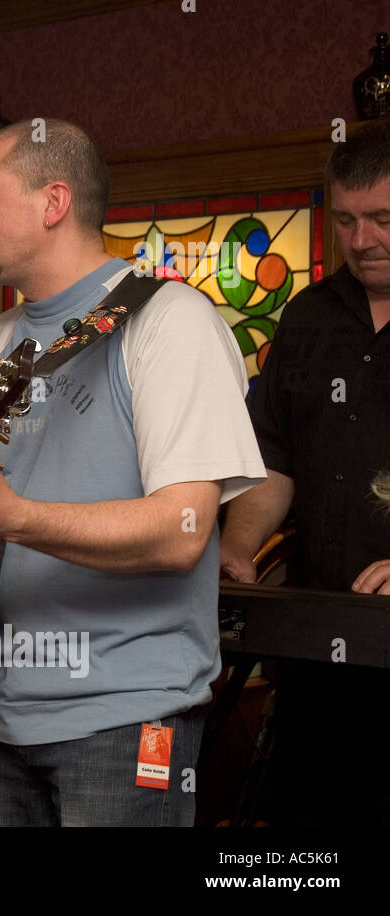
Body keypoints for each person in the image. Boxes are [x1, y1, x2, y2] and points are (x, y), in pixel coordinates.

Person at [0, 119, 264, 826]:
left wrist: (13, 517)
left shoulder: (171, 323)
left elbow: (183, 530)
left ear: (53, 202)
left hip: (126, 722)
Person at [220, 118, 390, 825]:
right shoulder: (307, 316)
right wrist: (237, 544)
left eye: (383, 219)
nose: (362, 240)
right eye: (347, 220)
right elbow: (274, 457)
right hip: (318, 634)